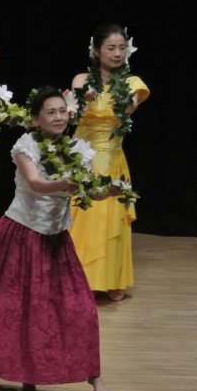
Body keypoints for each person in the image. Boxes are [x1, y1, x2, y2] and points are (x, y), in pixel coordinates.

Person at [0, 88, 112, 391]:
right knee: (21, 310)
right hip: (21, 236)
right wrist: (64, 183)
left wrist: (108, 191)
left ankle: (94, 374)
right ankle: (27, 379)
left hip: (57, 239)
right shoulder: (26, 146)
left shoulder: (79, 149)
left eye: (62, 111)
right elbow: (36, 183)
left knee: (80, 309)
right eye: (51, 112)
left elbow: (92, 191)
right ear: (35, 119)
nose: (58, 117)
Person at [68, 24, 150, 302]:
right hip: (83, 155)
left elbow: (129, 106)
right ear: (96, 51)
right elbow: (73, 110)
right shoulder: (81, 79)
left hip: (112, 156)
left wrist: (119, 98)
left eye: (122, 48)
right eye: (110, 48)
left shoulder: (133, 82)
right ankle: (79, 280)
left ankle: (112, 279)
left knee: (109, 218)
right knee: (85, 217)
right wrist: (83, 99)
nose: (117, 53)